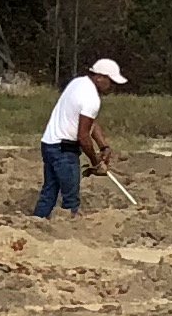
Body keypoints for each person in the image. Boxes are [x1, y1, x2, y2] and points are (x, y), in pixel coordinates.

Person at [33, 57, 123, 217]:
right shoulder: (91, 98)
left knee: (49, 191)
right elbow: (83, 136)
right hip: (65, 150)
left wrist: (104, 147)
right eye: (110, 82)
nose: (111, 87)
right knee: (71, 199)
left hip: (49, 144)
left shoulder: (78, 83)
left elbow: (90, 123)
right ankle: (69, 232)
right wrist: (95, 162)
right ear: (100, 77)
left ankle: (37, 221)